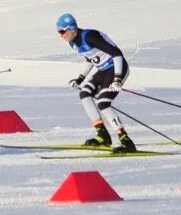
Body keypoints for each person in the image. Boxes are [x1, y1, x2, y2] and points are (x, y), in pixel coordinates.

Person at [57, 13, 137, 152]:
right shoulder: (72, 42)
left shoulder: (89, 36)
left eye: (62, 31)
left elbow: (117, 54)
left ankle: (126, 140)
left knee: (103, 103)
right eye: (59, 32)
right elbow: (91, 59)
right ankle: (102, 134)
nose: (61, 35)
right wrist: (80, 78)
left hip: (118, 67)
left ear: (72, 28)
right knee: (85, 93)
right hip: (104, 70)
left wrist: (117, 79)